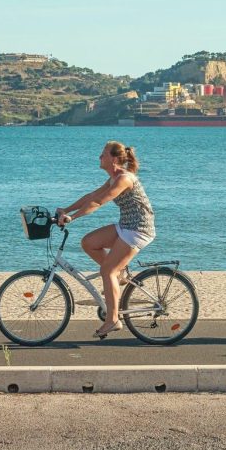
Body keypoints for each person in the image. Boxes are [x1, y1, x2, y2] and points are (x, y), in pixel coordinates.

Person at [55, 141, 155, 339]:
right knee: (89, 242)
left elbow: (99, 202)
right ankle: (121, 274)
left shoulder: (124, 179)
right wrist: (66, 209)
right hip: (126, 225)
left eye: (103, 154)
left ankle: (113, 320)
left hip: (139, 229)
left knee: (107, 270)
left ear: (114, 159)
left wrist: (72, 218)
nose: (99, 157)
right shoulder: (113, 177)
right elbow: (91, 196)